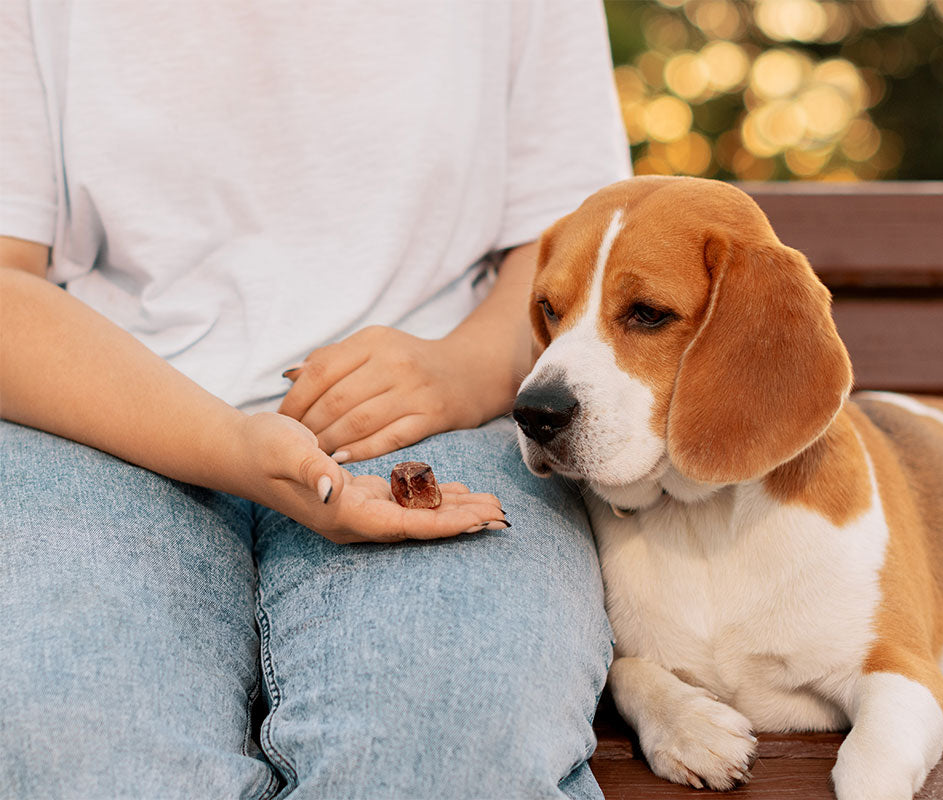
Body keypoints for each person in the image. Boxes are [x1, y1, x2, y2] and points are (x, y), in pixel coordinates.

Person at [0, 2, 631, 798]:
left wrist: (460, 371)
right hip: (102, 419)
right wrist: (231, 444)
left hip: (440, 424)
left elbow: (571, 251)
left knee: (450, 734)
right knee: (62, 739)